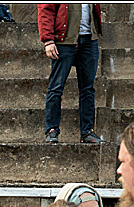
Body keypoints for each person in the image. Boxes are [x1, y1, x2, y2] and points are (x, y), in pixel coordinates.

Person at [39, 3, 106, 144]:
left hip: (89, 39)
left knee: (88, 88)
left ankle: (87, 131)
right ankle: (52, 130)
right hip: (64, 40)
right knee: (56, 87)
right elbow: (46, 9)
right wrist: (48, 39)